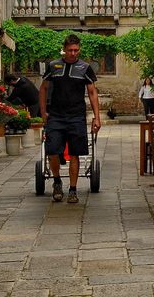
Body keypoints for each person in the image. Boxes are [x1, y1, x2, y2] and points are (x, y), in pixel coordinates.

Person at [39, 34, 101, 203]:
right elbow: (43, 89)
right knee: (52, 150)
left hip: (76, 116)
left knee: (75, 154)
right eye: (70, 50)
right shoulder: (53, 66)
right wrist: (43, 112)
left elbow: (92, 92)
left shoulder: (85, 67)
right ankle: (57, 181)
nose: (73, 53)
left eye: (76, 50)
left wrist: (97, 117)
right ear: (64, 50)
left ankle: (73, 190)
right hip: (56, 116)